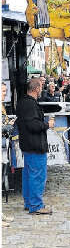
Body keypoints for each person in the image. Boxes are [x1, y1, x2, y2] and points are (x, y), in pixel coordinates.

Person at [16, 78, 55, 215]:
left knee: (28, 174)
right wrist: (47, 125)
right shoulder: (30, 104)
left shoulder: (22, 102)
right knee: (37, 175)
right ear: (37, 88)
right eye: (41, 87)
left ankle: (29, 202)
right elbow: (33, 125)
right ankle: (36, 205)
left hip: (27, 144)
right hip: (35, 144)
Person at [2, 83, 15, 226]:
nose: (5, 94)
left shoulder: (2, 107)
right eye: (3, 91)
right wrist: (7, 127)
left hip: (3, 147)